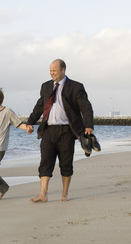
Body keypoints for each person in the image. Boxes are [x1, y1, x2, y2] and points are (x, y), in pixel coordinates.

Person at [26, 59, 94, 203]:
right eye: (50, 71)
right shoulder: (45, 86)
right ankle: (43, 194)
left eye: (55, 71)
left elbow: (85, 107)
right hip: (48, 130)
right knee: (45, 161)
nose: (52, 73)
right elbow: (39, 106)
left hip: (66, 131)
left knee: (66, 163)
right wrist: (30, 122)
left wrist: (88, 125)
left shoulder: (76, 87)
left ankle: (65, 193)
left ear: (63, 70)